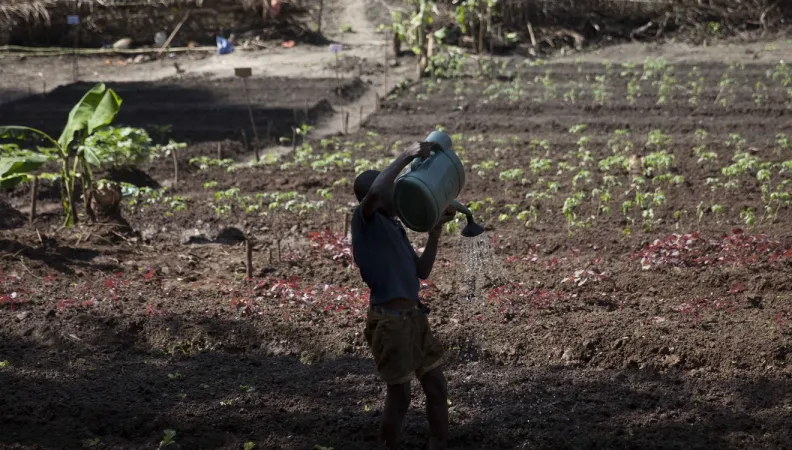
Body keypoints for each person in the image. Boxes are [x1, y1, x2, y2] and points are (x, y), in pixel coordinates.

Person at [350, 141, 456, 450]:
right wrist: (407, 155)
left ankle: (439, 443)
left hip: (414, 320)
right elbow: (373, 193)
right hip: (390, 323)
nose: (396, 195)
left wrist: (435, 233)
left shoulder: (394, 228)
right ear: (376, 197)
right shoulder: (364, 222)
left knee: (436, 386)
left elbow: (422, 271)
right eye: (390, 191)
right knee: (401, 396)